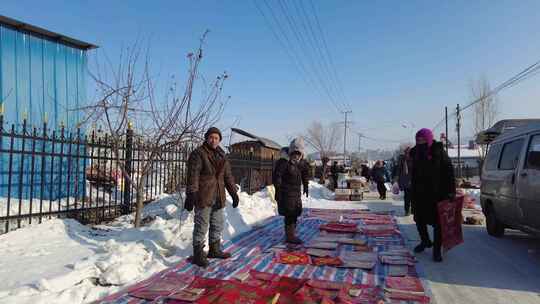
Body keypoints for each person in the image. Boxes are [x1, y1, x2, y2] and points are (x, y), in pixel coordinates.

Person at [184, 127, 240, 268]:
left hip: (218, 195)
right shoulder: (198, 154)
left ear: (219, 140)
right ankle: (198, 254)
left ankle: (214, 250)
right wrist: (191, 194)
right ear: (206, 138)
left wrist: (234, 193)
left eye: (216, 138)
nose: (213, 140)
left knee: (217, 224)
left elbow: (227, 176)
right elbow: (193, 175)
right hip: (204, 195)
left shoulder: (222, 155)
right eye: (211, 137)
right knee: (201, 225)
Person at [410, 128, 456, 262]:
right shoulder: (416, 153)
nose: (420, 142)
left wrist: (451, 191)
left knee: (438, 224)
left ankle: (437, 250)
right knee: (419, 220)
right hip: (419, 194)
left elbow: (449, 172)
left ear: (429, 139)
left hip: (437, 194)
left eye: (423, 139)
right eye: (418, 140)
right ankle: (425, 241)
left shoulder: (438, 151)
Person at [273, 137, 309, 244]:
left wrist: (306, 185)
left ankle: (291, 234)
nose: (297, 155)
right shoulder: (284, 162)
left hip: (296, 193)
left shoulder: (300, 162)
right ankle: (290, 236)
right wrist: (278, 190)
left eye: (299, 153)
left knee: (295, 213)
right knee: (290, 214)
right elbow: (277, 177)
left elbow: (305, 173)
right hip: (286, 192)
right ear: (291, 151)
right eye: (295, 152)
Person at [393, 147, 413, 216]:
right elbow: (398, 169)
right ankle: (407, 210)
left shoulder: (414, 159)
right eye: (406, 152)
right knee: (407, 196)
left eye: (408, 152)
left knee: (413, 196)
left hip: (413, 180)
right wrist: (396, 177)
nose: (407, 154)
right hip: (405, 180)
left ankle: (412, 209)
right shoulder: (402, 159)